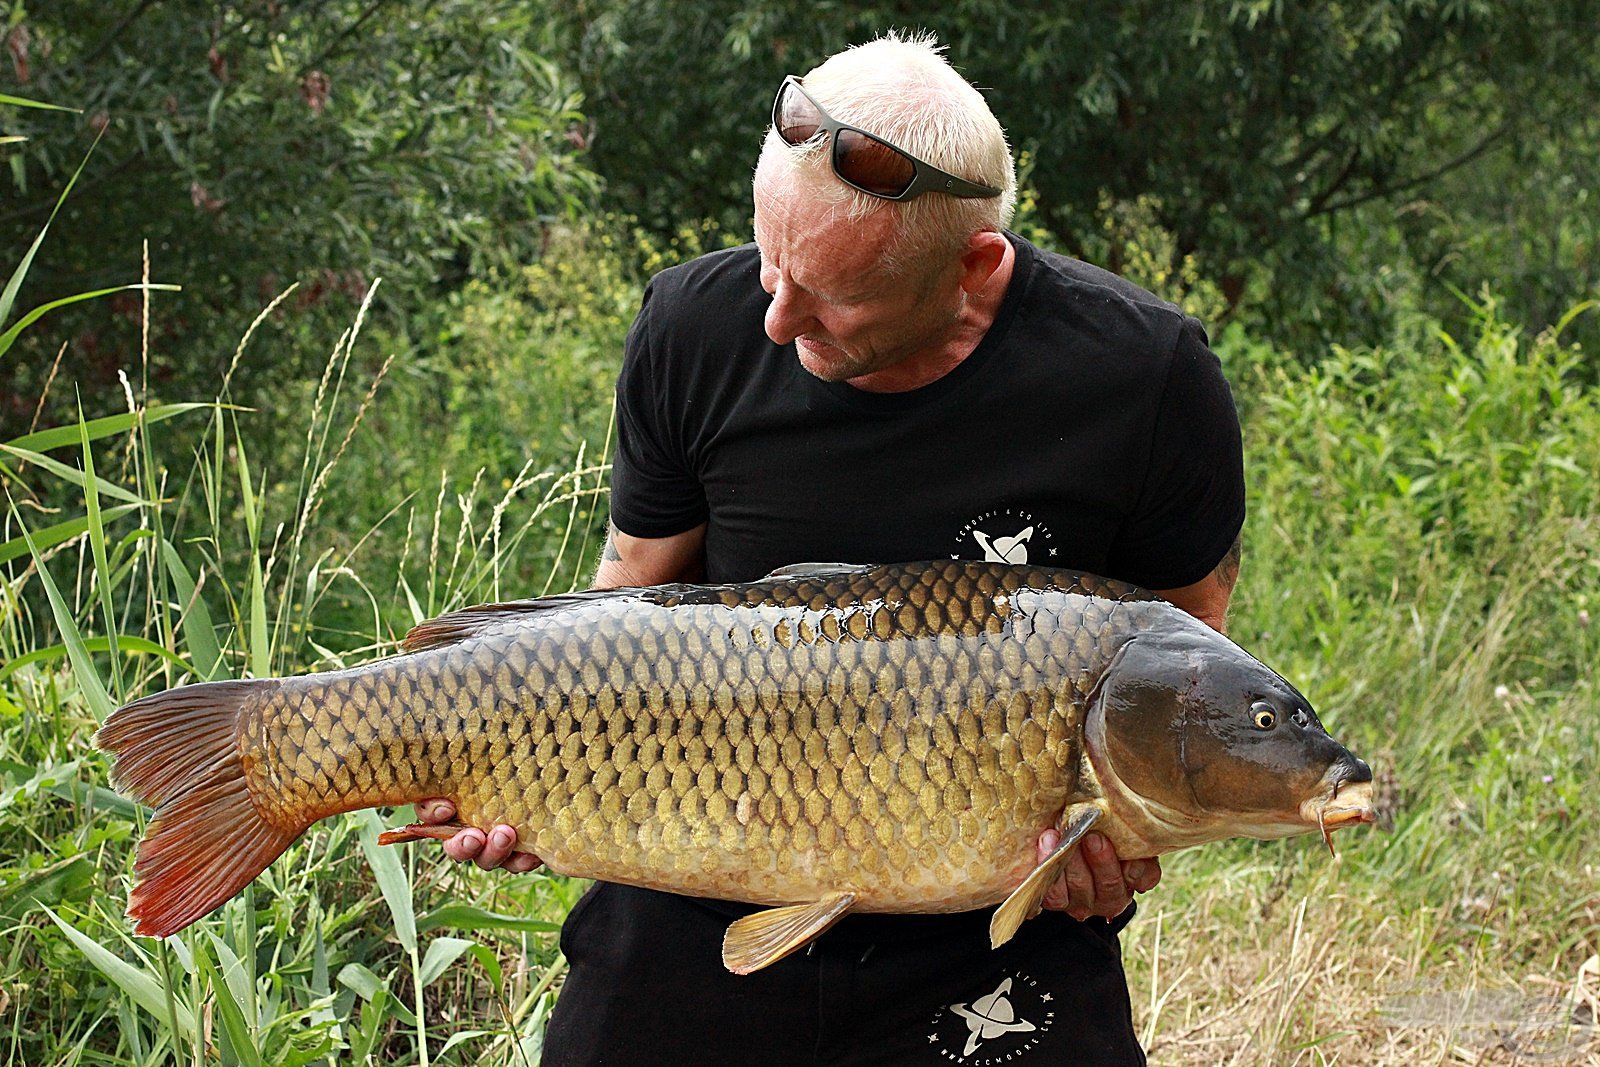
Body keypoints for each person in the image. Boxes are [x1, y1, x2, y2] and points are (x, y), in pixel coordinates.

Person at [416, 32, 1244, 1066]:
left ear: (973, 265)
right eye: (769, 261)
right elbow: (624, 595)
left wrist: (1115, 844)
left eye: (828, 298)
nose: (772, 319)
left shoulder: (1143, 375)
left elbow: (1186, 671)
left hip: (992, 931)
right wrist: (528, 776)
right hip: (702, 878)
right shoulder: (692, 323)